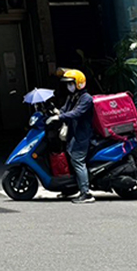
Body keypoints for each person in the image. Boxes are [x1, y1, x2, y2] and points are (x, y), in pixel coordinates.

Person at [48, 68, 95, 204]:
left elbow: (77, 113)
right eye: (68, 84)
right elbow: (65, 109)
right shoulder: (73, 97)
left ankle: (86, 193)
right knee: (70, 160)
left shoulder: (86, 99)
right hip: (73, 134)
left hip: (82, 135)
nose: (69, 86)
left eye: (71, 83)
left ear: (79, 83)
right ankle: (70, 189)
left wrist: (60, 116)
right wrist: (56, 112)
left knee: (78, 161)